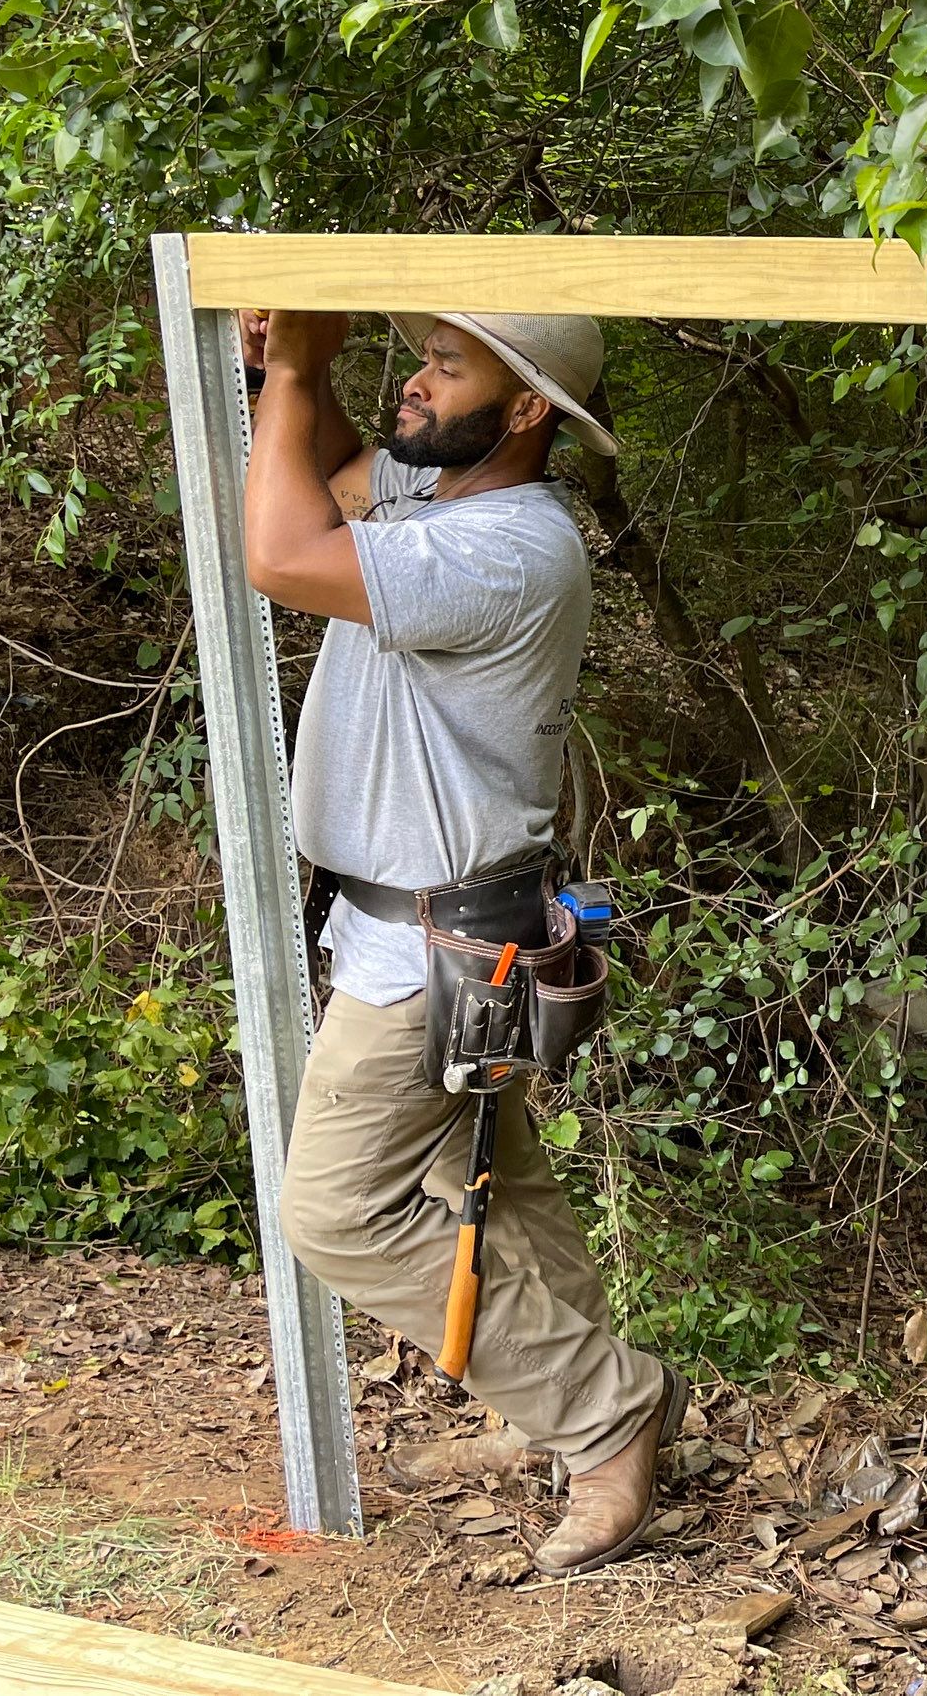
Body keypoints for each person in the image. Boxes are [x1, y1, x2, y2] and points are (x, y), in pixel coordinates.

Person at [246, 306, 680, 1575]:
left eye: (448, 365)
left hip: (427, 946)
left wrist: (306, 365)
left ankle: (606, 1411)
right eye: (420, 360)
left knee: (334, 1209)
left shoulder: (509, 545)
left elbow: (281, 548)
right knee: (496, 1181)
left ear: (529, 408)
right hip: (437, 930)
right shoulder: (434, 492)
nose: (417, 382)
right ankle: (558, 1410)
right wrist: (287, 371)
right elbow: (322, 472)